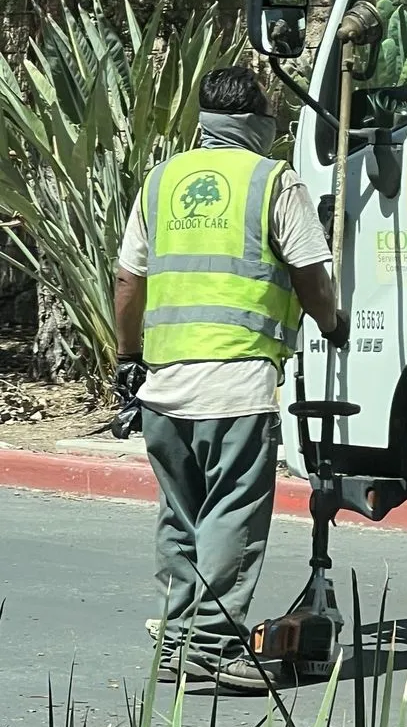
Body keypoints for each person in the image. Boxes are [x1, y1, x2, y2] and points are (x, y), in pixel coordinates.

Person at [114, 65, 350, 692]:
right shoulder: (274, 181)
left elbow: (128, 281)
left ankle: (176, 642)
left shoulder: (161, 181)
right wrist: (333, 322)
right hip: (237, 381)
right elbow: (310, 272)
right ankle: (216, 648)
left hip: (164, 386)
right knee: (230, 512)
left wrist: (124, 357)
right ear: (258, 123)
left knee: (181, 514)